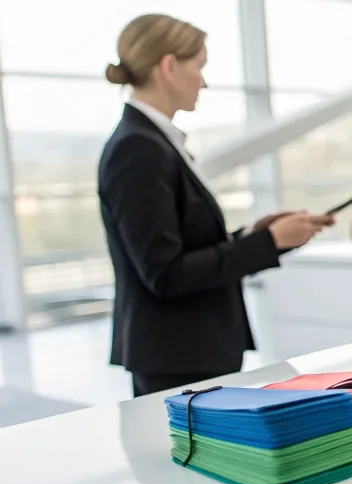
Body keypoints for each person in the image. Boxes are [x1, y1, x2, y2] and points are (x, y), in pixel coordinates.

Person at [98, 14, 334, 397]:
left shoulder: (154, 143)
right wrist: (268, 243)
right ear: (169, 66)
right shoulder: (138, 149)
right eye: (199, 66)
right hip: (177, 356)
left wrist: (256, 235)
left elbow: (181, 246)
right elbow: (166, 273)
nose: (203, 82)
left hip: (187, 351)